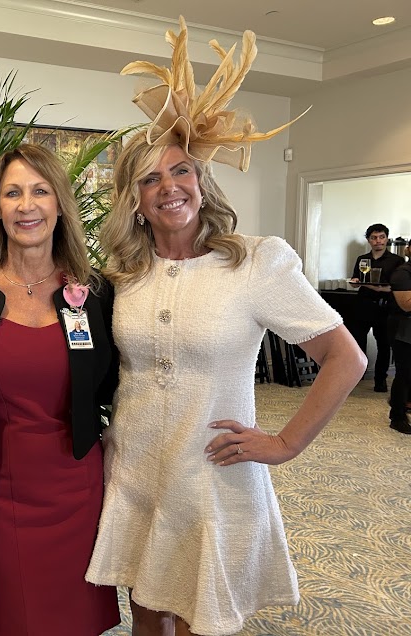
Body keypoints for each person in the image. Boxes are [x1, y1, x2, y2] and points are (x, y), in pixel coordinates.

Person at [86, 19, 367, 636]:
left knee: (201, 616)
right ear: (134, 198)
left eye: (181, 171)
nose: (169, 188)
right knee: (146, 614)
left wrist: (286, 442)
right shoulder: (123, 273)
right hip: (135, 469)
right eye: (150, 178)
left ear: (202, 180)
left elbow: (346, 358)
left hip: (211, 474)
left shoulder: (256, 262)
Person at [0, 143, 121, 635]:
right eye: (12, 193)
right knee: (10, 617)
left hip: (76, 486)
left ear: (60, 205)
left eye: (40, 191)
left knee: (72, 619)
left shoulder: (95, 293)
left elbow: (112, 382)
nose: (26, 205)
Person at [349, 223, 405, 392]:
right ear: (368, 240)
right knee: (356, 342)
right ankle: (354, 377)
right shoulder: (362, 259)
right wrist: (355, 282)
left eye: (381, 237)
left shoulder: (397, 260)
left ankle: (380, 380)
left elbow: (395, 287)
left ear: (386, 239)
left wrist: (377, 288)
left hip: (385, 307)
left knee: (384, 344)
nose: (378, 241)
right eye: (374, 238)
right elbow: (356, 280)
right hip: (363, 305)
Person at [387, 246, 411, 434]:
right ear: (409, 250)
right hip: (403, 329)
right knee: (405, 372)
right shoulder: (402, 273)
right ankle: (397, 417)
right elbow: (406, 305)